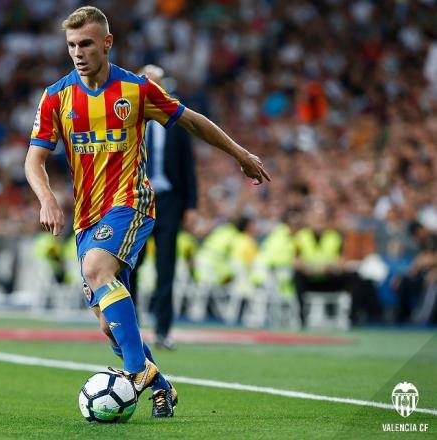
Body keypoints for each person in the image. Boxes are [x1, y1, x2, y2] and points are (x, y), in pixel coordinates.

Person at [24, 6, 269, 418]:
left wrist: (240, 153)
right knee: (111, 326)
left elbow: (191, 121)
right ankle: (162, 387)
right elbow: (33, 161)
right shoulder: (55, 98)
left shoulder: (135, 90)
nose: (78, 52)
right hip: (87, 218)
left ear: (107, 43)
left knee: (96, 270)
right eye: (71, 45)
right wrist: (47, 198)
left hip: (131, 203)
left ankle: (135, 374)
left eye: (86, 43)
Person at [129, 64, 198, 350]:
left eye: (157, 83)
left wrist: (191, 205)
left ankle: (163, 330)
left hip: (169, 200)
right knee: (132, 266)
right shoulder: (128, 117)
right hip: (136, 199)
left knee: (166, 267)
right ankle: (130, 330)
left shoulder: (175, 119)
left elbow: (187, 165)